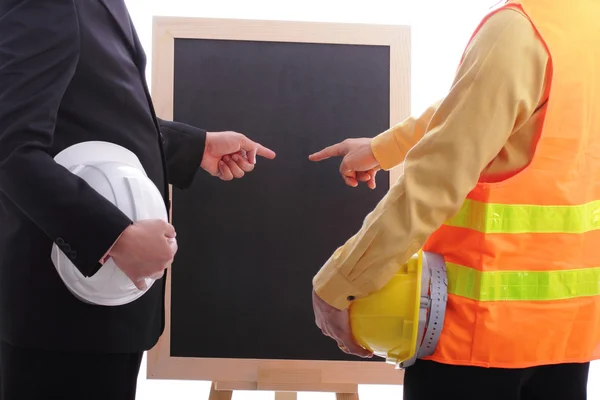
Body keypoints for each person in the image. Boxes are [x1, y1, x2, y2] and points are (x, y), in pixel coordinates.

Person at [309, 0, 600, 399]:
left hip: (476, 339)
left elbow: (433, 182)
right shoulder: (584, 23)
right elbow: (483, 104)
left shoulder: (519, 31)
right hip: (565, 336)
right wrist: (384, 147)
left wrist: (340, 284)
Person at [0, 1, 275, 399]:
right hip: (62, 320)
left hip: (100, 313)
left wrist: (194, 146)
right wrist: (114, 237)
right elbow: (11, 146)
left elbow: (92, 112)